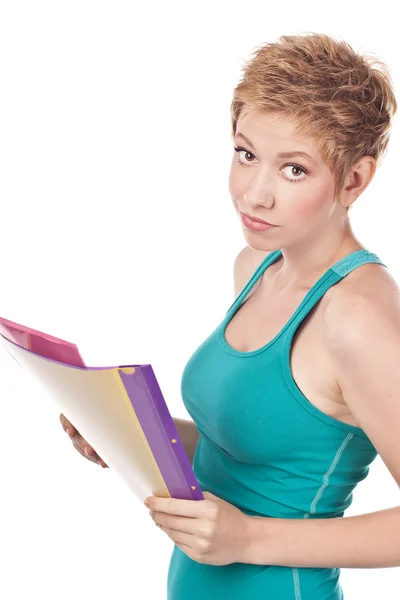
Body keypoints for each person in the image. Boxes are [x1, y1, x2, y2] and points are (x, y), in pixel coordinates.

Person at [60, 32, 400, 599]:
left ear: (354, 180)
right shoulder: (257, 266)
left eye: (294, 169)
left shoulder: (360, 318)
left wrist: (247, 540)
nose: (254, 194)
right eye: (246, 154)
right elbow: (249, 453)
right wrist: (132, 435)